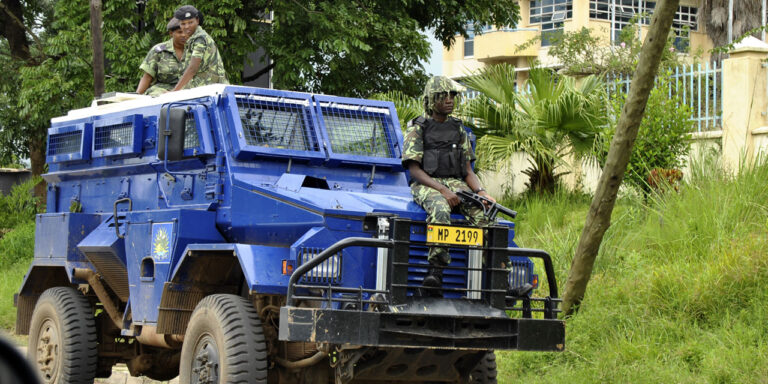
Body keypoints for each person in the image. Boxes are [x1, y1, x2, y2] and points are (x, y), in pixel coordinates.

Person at [401, 76, 496, 292]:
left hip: (456, 183)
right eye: (443, 96)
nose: (449, 100)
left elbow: (468, 171)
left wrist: (482, 193)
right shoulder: (418, 128)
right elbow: (414, 170)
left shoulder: (458, 130)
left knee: (485, 212)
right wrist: (443, 190)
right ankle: (436, 271)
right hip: (427, 184)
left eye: (452, 95)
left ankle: (500, 279)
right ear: (432, 99)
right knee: (440, 209)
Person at [171, 5, 228, 91]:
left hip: (212, 90)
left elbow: (192, 69)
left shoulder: (200, 38)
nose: (187, 26)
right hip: (205, 88)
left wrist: (174, 91)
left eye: (190, 22)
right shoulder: (193, 38)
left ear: (197, 20)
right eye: (183, 24)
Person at [136, 18, 187, 97]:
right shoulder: (159, 51)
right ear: (171, 33)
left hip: (189, 91)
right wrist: (136, 97)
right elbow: (147, 77)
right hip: (162, 92)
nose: (184, 35)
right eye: (180, 32)